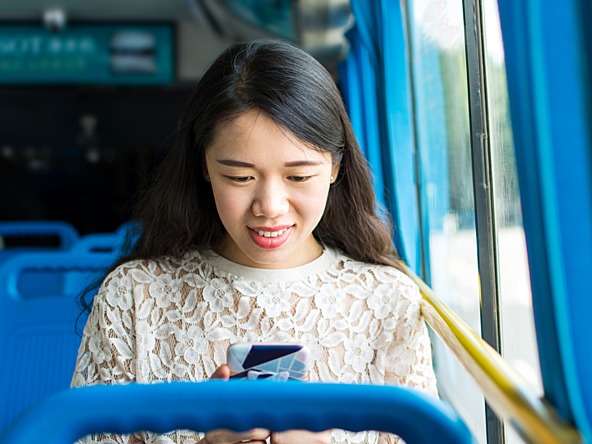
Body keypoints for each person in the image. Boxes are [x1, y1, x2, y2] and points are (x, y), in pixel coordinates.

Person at [71, 39, 438, 444]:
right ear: (204, 168)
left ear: (336, 167)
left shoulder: (390, 302)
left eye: (298, 177)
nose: (270, 207)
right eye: (240, 177)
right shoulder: (134, 296)